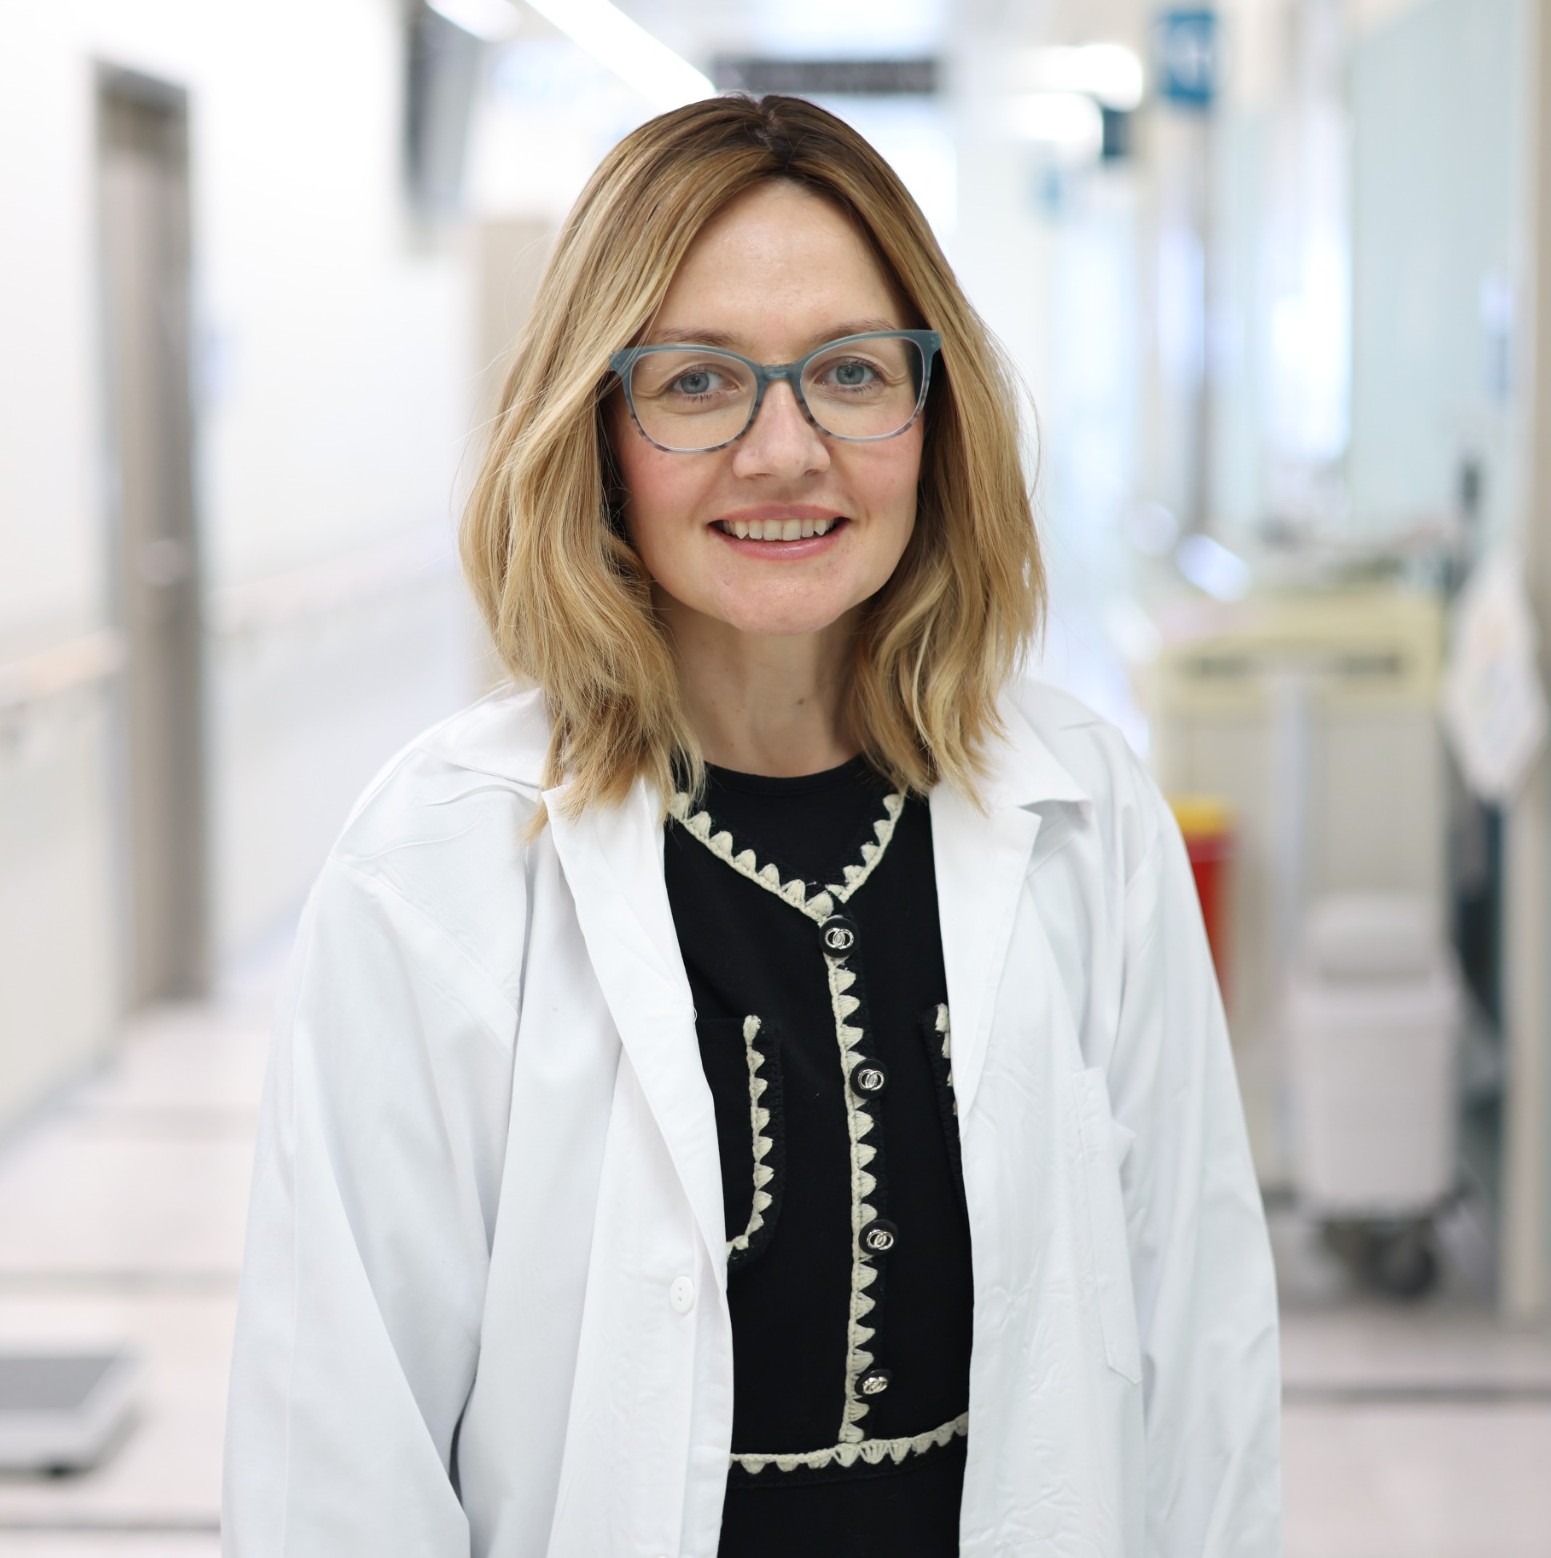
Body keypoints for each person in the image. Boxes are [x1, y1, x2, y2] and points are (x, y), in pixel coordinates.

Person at [222, 94, 1281, 1557]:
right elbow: (338, 1448)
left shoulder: (1085, 817)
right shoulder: (439, 862)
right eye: (700, 380)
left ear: (934, 415)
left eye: (850, 372)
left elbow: (1202, 1356)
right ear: (598, 426)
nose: (786, 450)